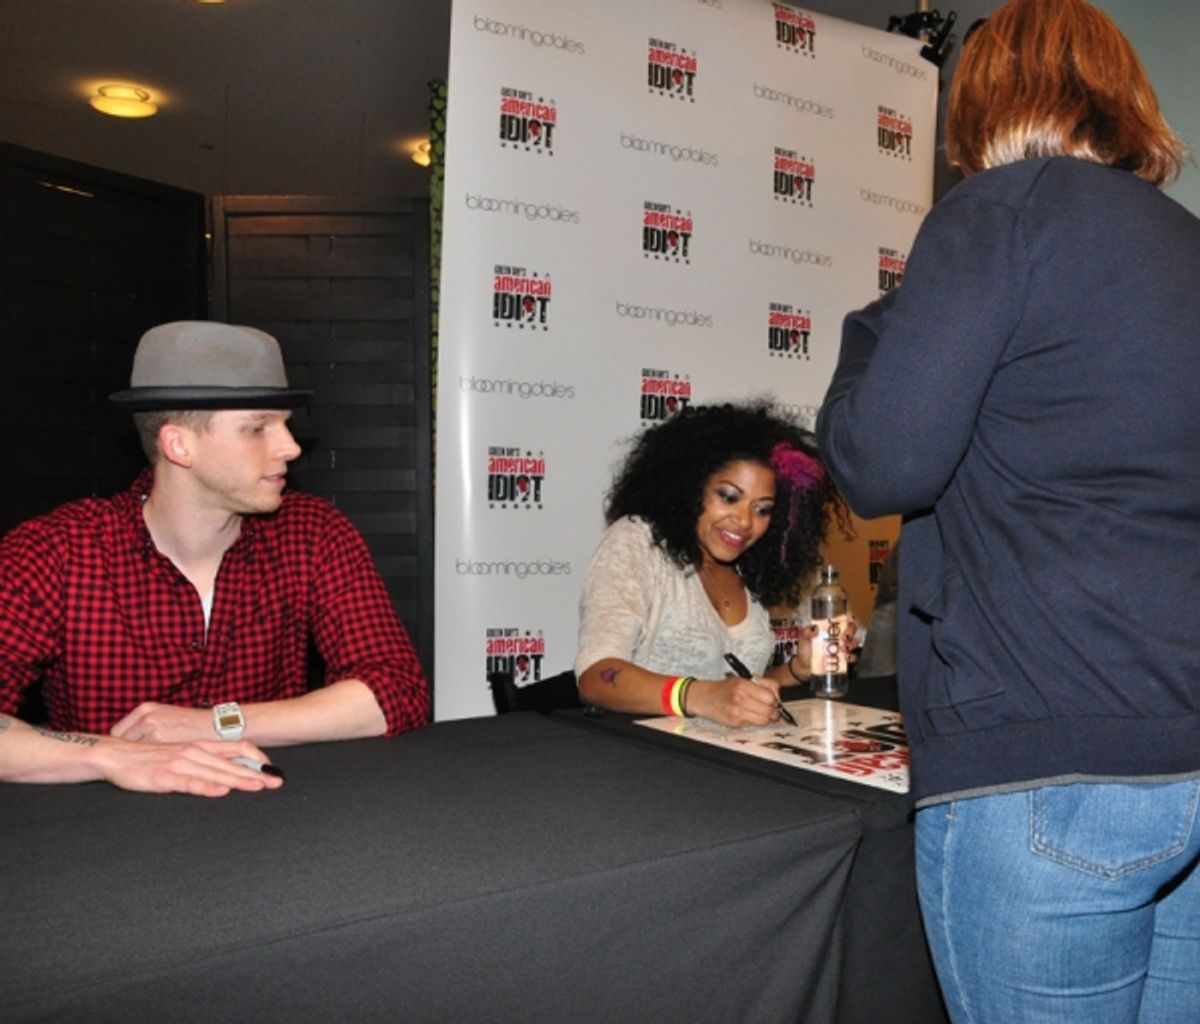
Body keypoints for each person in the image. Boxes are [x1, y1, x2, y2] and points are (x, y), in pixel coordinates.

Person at [815, 2, 1200, 1020]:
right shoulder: (1186, 244)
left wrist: (879, 327)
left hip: (1045, 755)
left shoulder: (1001, 212)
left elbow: (883, 464)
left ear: (984, 102)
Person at [0, 321, 429, 797]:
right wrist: (110, 755)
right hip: (104, 829)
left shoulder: (312, 532)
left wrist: (216, 723)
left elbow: (396, 691)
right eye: (257, 428)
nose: (290, 447)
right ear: (178, 445)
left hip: (274, 814)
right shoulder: (55, 552)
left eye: (285, 423)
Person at [575, 401, 849, 727]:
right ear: (691, 486)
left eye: (762, 509)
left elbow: (730, 692)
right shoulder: (637, 541)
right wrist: (699, 697)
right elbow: (597, 678)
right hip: (639, 750)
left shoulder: (747, 567)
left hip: (725, 750)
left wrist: (796, 670)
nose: (744, 521)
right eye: (729, 497)